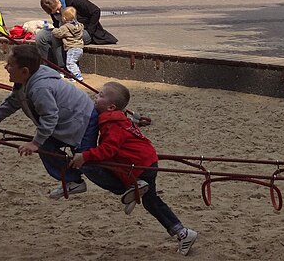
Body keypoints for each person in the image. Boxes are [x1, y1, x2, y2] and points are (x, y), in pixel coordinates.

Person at [70, 81, 198, 256]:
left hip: (139, 165)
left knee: (91, 167)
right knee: (151, 201)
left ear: (111, 106)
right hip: (147, 160)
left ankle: (133, 187)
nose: (95, 97)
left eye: (100, 95)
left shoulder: (111, 123)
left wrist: (85, 156)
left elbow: (109, 149)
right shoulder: (118, 118)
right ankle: (182, 232)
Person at [0, 44, 98, 199]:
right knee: (46, 146)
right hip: (67, 122)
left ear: (24, 71)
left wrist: (34, 144)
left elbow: (50, 117)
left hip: (83, 120)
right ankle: (72, 180)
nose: (5, 67)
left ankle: (129, 180)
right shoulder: (24, 82)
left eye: (10, 65)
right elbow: (11, 103)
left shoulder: (40, 88)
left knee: (86, 162)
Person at [36, 0, 117, 70]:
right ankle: (47, 67)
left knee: (57, 36)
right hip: (64, 29)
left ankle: (62, 67)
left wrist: (90, 30)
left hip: (82, 31)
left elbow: (96, 11)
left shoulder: (74, 0)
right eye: (54, 12)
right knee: (41, 36)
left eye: (57, 9)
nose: (57, 12)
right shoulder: (52, 7)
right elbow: (56, 24)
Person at [51, 6, 84, 82]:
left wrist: (53, 30)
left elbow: (58, 33)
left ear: (64, 18)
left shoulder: (65, 27)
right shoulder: (79, 25)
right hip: (79, 48)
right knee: (73, 62)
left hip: (72, 48)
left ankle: (78, 76)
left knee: (70, 63)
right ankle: (73, 75)